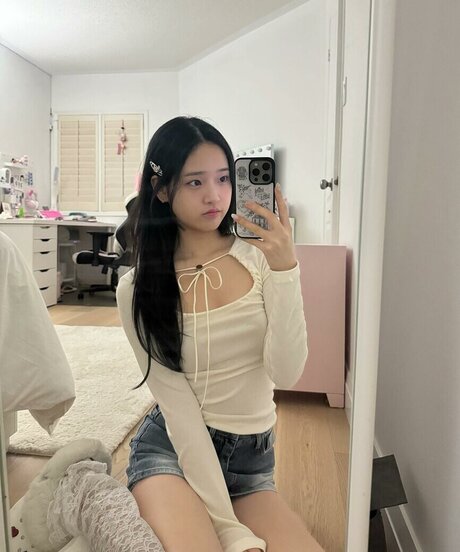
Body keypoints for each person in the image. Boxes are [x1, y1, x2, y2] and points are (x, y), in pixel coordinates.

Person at [116, 116, 324, 552]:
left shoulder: (260, 258)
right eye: (195, 182)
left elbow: (286, 373)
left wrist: (286, 268)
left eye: (224, 178)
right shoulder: (137, 288)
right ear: (161, 190)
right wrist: (230, 531)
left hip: (249, 464)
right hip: (172, 450)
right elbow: (178, 410)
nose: (215, 195)